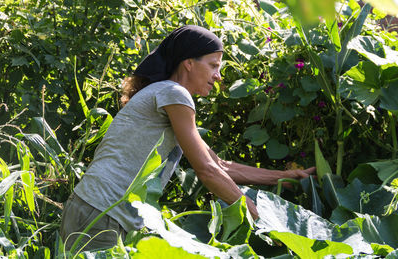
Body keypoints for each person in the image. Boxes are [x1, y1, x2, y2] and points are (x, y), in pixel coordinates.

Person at [60, 25, 315, 251]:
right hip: (102, 213)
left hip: (96, 208)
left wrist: (285, 177)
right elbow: (206, 171)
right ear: (188, 63)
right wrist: (262, 219)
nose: (218, 76)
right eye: (213, 65)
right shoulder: (174, 94)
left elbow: (220, 166)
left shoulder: (164, 94)